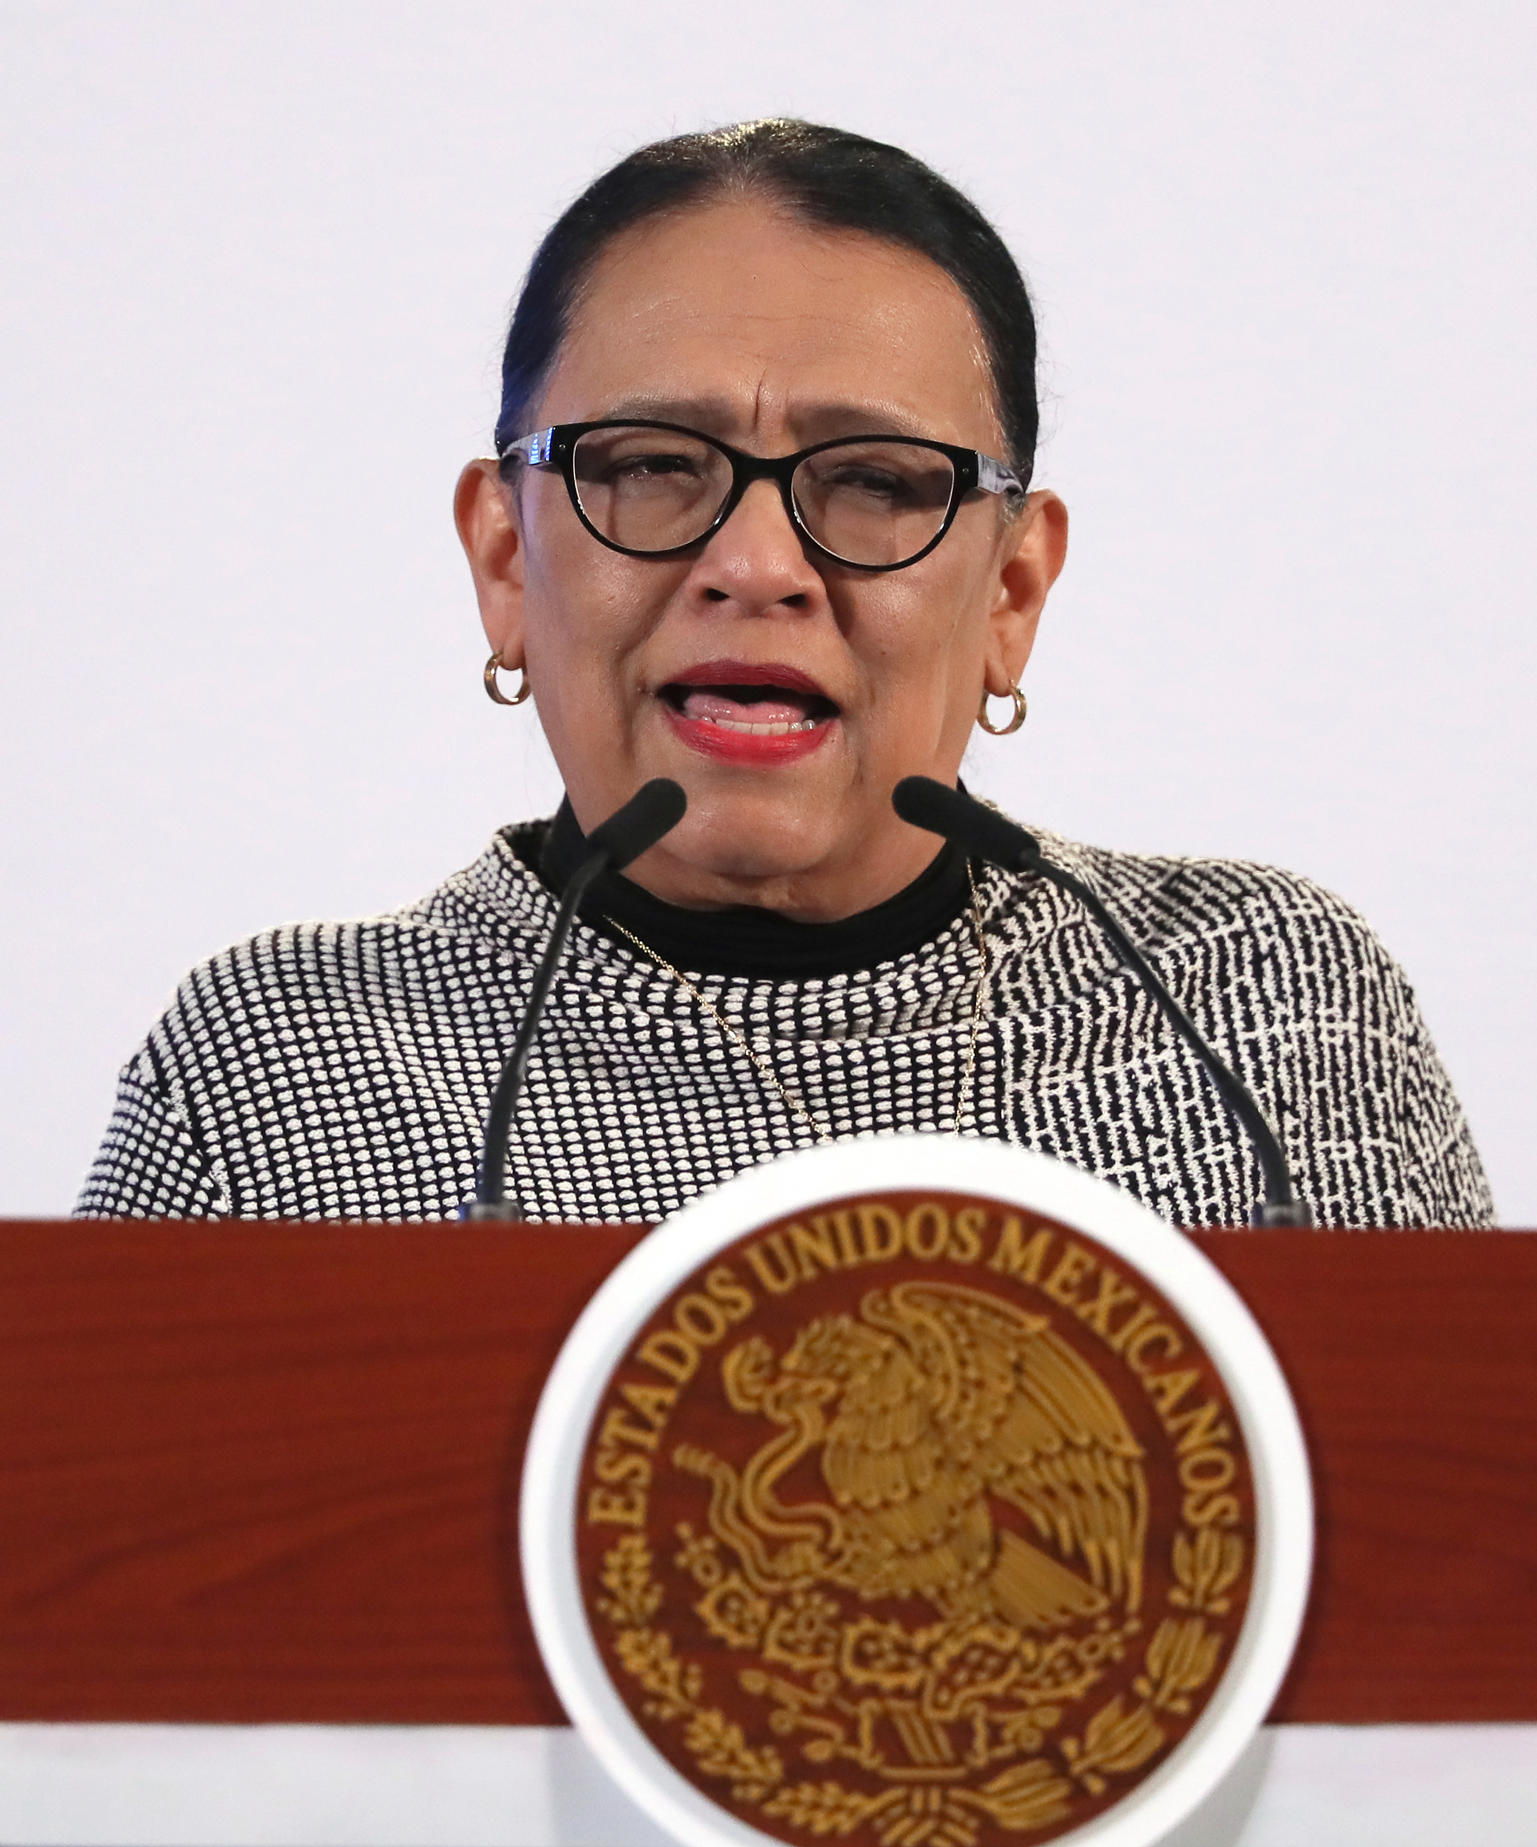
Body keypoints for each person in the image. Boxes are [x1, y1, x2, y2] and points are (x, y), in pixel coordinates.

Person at [76, 120, 1493, 1228]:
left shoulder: (1260, 1015)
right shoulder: (279, 1069)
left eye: (873, 482)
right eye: (648, 467)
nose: (756, 563)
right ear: (507, 562)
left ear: (1010, 592)